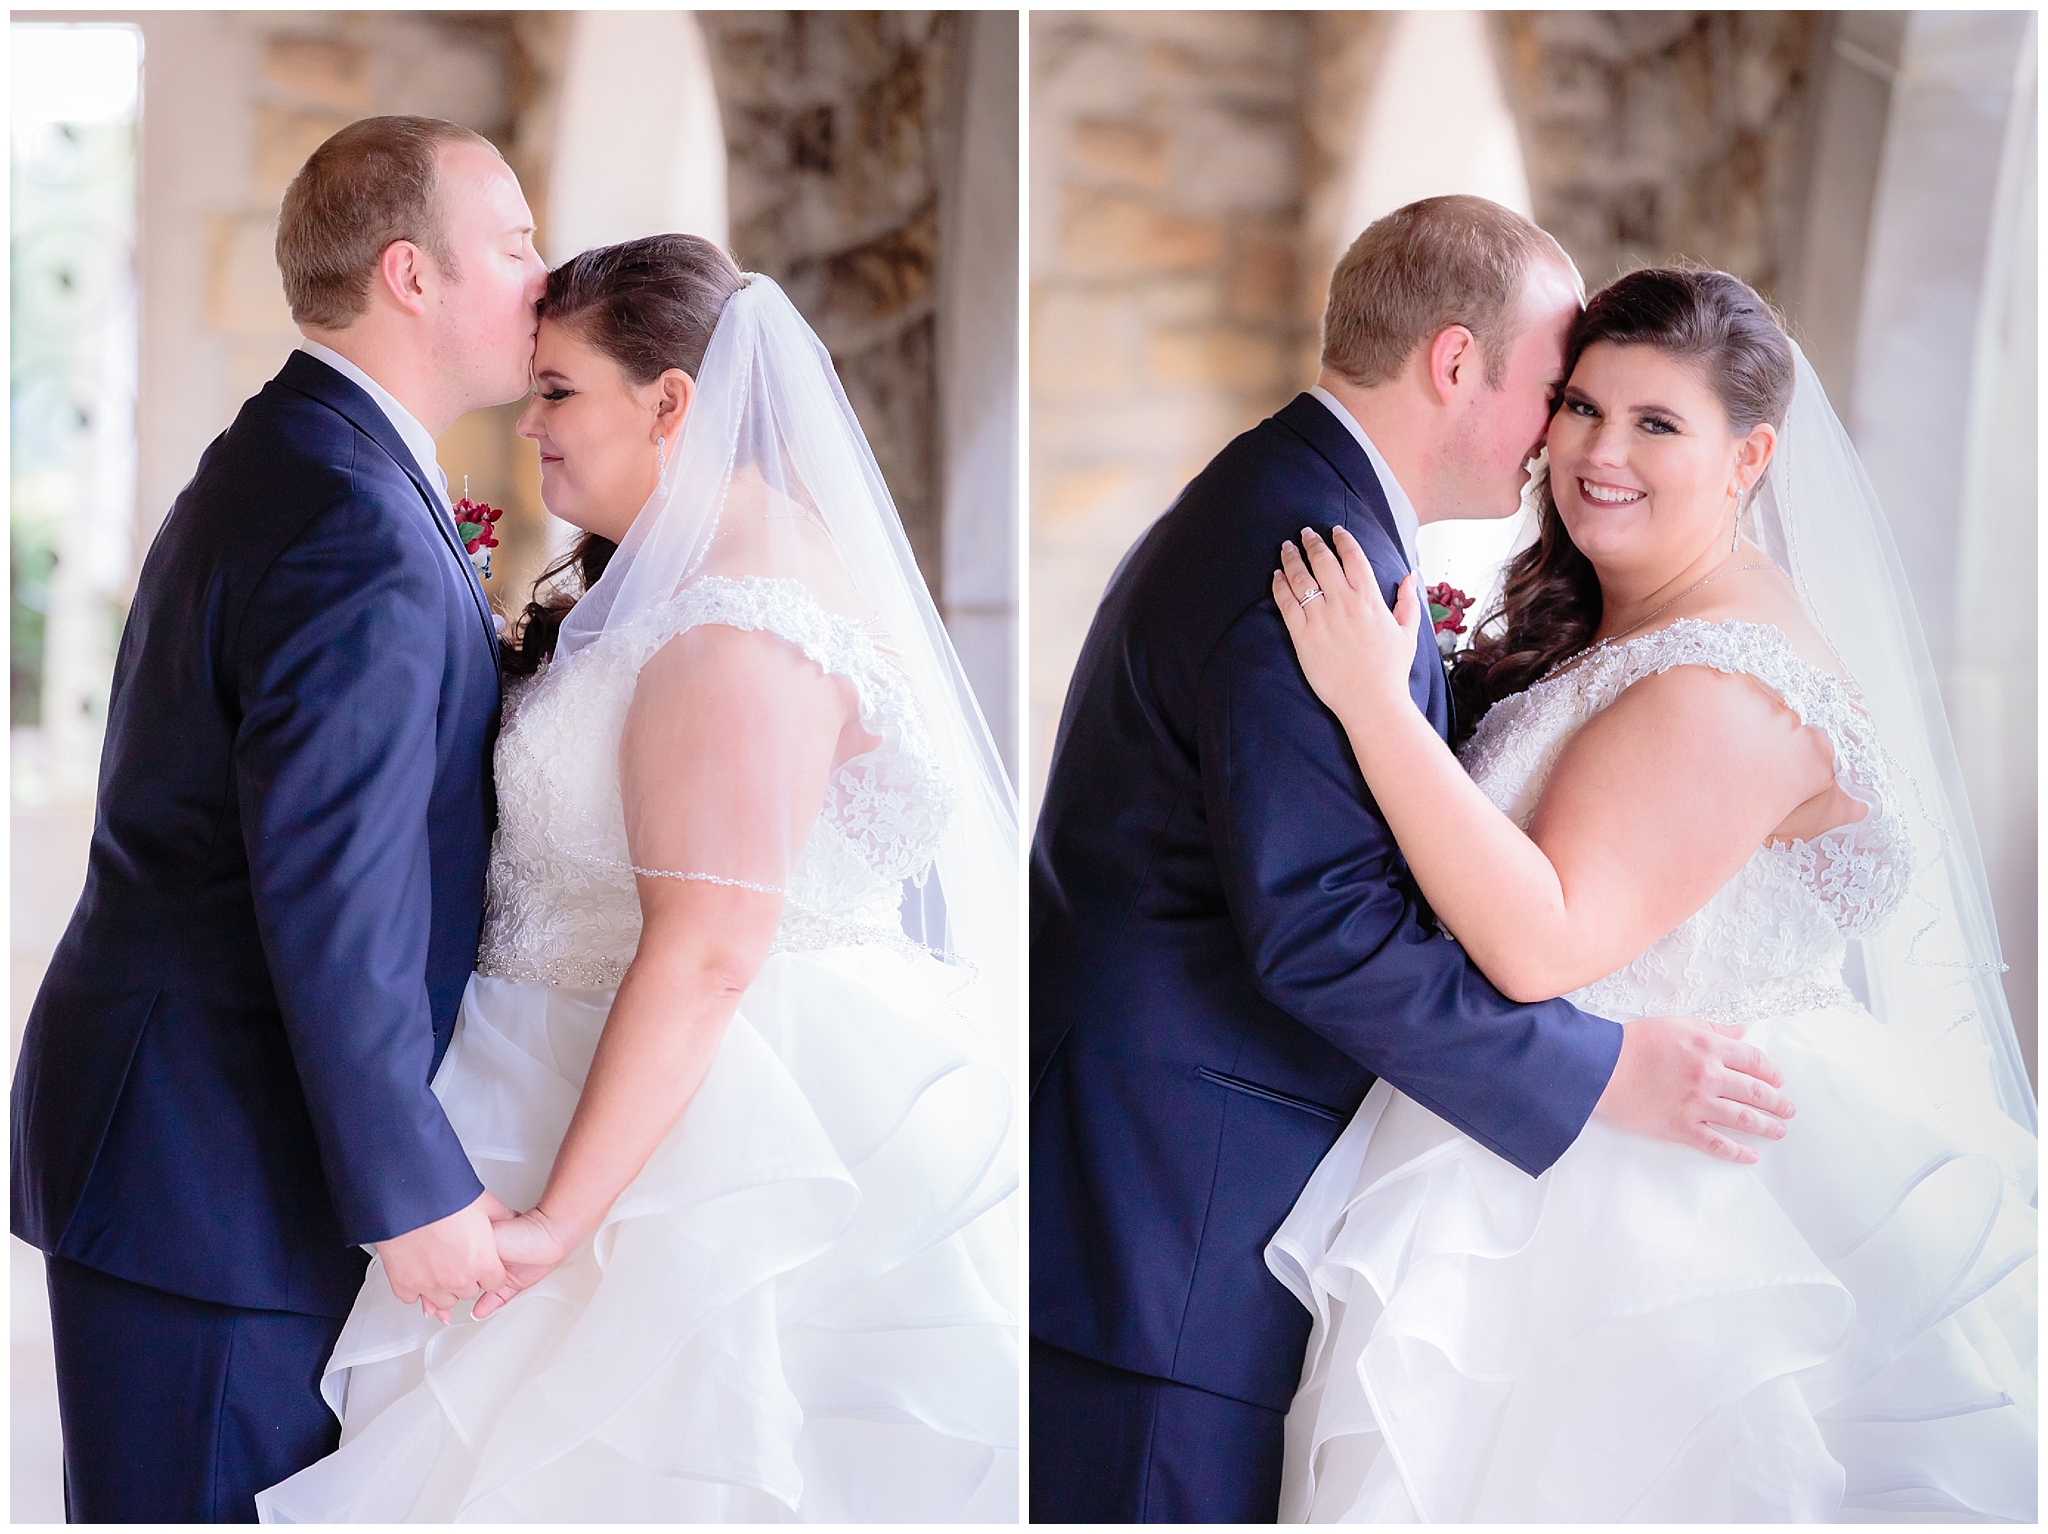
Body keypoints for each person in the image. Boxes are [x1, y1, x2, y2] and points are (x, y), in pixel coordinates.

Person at [1029, 196, 1794, 1523]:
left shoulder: (1303, 504)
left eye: (1642, 417)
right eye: (1563, 392)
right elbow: (1323, 929)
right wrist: (1603, 1069)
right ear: (1456, 364)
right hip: (1175, 1224)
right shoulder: (1306, 551)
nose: (1570, 439)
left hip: (1188, 1205)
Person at [253, 237, 1020, 1522]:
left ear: (672, 403)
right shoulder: (687, 584)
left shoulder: (742, 622)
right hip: (559, 1073)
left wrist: (559, 1223)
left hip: (699, 1150)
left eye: (559, 391)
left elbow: (709, 949)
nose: (530, 424)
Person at [1269, 265, 2036, 1520]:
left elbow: (1543, 936)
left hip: (1654, 1222)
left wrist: (1366, 699)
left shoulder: (1730, 680)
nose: (1595, 451)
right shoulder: (1624, 628)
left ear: (1749, 460)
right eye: (1577, 406)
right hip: (1529, 1150)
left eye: (1655, 424)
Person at [11, 116, 546, 1521]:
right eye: (512, 245)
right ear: (410, 274)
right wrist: (409, 1188)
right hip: (216, 1178)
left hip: (208, 1153)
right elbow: (330, 888)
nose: (541, 279)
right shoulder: (348, 514)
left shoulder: (311, 458)